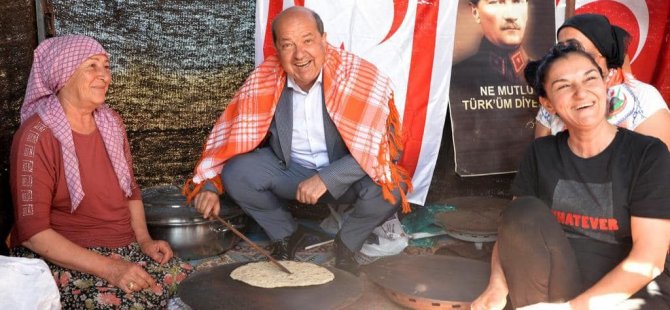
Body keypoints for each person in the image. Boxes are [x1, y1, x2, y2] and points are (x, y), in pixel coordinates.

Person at [184, 6, 412, 275]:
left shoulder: (360, 76)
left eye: (307, 41)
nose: (299, 54)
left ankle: (347, 243)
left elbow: (383, 152)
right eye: (288, 45)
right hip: (291, 172)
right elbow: (230, 138)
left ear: (323, 40)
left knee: (392, 188)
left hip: (345, 176)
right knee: (237, 173)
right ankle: (286, 233)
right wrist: (210, 186)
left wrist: (327, 178)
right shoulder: (265, 81)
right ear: (278, 51)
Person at [471, 41, 670, 310]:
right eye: (564, 86)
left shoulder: (648, 154)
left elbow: (650, 259)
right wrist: (497, 284)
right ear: (548, 104)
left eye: (590, 79)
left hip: (626, 290)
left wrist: (571, 309)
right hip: (560, 281)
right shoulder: (541, 153)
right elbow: (514, 232)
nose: (581, 93)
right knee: (521, 211)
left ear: (605, 84)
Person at [9, 35, 192, 308]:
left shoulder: (111, 122)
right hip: (69, 257)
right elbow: (34, 234)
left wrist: (144, 241)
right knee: (129, 303)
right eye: (92, 66)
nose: (104, 76)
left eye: (106, 66)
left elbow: (129, 190)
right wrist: (111, 269)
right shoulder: (36, 136)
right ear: (63, 73)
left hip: (124, 249)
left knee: (196, 286)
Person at [535, 14, 670, 149]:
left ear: (604, 54)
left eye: (579, 53)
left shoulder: (643, 99)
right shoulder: (557, 98)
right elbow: (541, 158)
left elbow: (656, 164)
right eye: (562, 51)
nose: (568, 60)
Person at [453, 0, 531, 84]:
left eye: (517, 1)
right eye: (495, 2)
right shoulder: (455, 79)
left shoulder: (543, 74)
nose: (511, 16)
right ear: (476, 13)